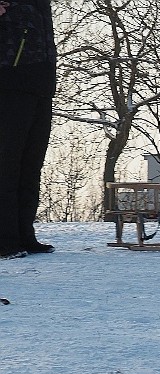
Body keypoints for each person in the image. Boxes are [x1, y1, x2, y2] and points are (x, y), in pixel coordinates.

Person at [0, 0, 56, 259]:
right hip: (9, 80)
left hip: (41, 82)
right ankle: (5, 240)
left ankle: (24, 234)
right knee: (6, 166)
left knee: (31, 166)